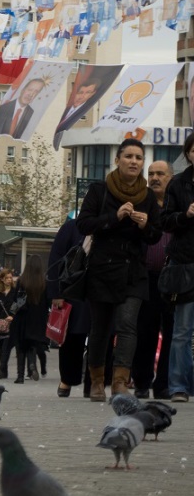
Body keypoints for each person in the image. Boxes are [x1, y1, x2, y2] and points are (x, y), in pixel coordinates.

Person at [76, 138, 161, 401]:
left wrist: (146, 225)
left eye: (138, 158)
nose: (134, 162)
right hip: (102, 268)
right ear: (118, 160)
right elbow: (83, 225)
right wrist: (115, 217)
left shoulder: (147, 196)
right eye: (129, 156)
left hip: (134, 270)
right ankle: (97, 382)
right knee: (100, 328)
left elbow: (155, 236)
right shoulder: (100, 190)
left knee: (127, 326)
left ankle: (121, 382)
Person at [132, 161, 173, 399]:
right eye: (151, 174)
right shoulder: (142, 202)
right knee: (144, 332)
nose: (155, 177)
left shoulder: (175, 204)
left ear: (171, 177)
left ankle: (164, 384)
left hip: (172, 279)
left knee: (171, 332)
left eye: (160, 174)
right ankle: (141, 381)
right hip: (145, 276)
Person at [47, 217, 96, 398]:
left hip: (102, 288)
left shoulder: (112, 224)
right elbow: (56, 257)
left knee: (100, 338)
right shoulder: (72, 227)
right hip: (74, 289)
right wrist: (56, 293)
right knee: (72, 336)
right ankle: (67, 379)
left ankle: (94, 383)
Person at [161, 134, 194, 403]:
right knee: (182, 331)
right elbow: (166, 222)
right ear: (188, 154)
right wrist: (186, 215)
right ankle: (178, 386)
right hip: (184, 265)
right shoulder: (178, 184)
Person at [9, 256, 49, 384]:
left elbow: (15, 299)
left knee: (21, 347)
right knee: (33, 344)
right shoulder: (44, 282)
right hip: (38, 318)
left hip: (22, 317)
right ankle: (32, 364)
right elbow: (48, 302)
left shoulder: (22, 281)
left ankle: (20, 376)